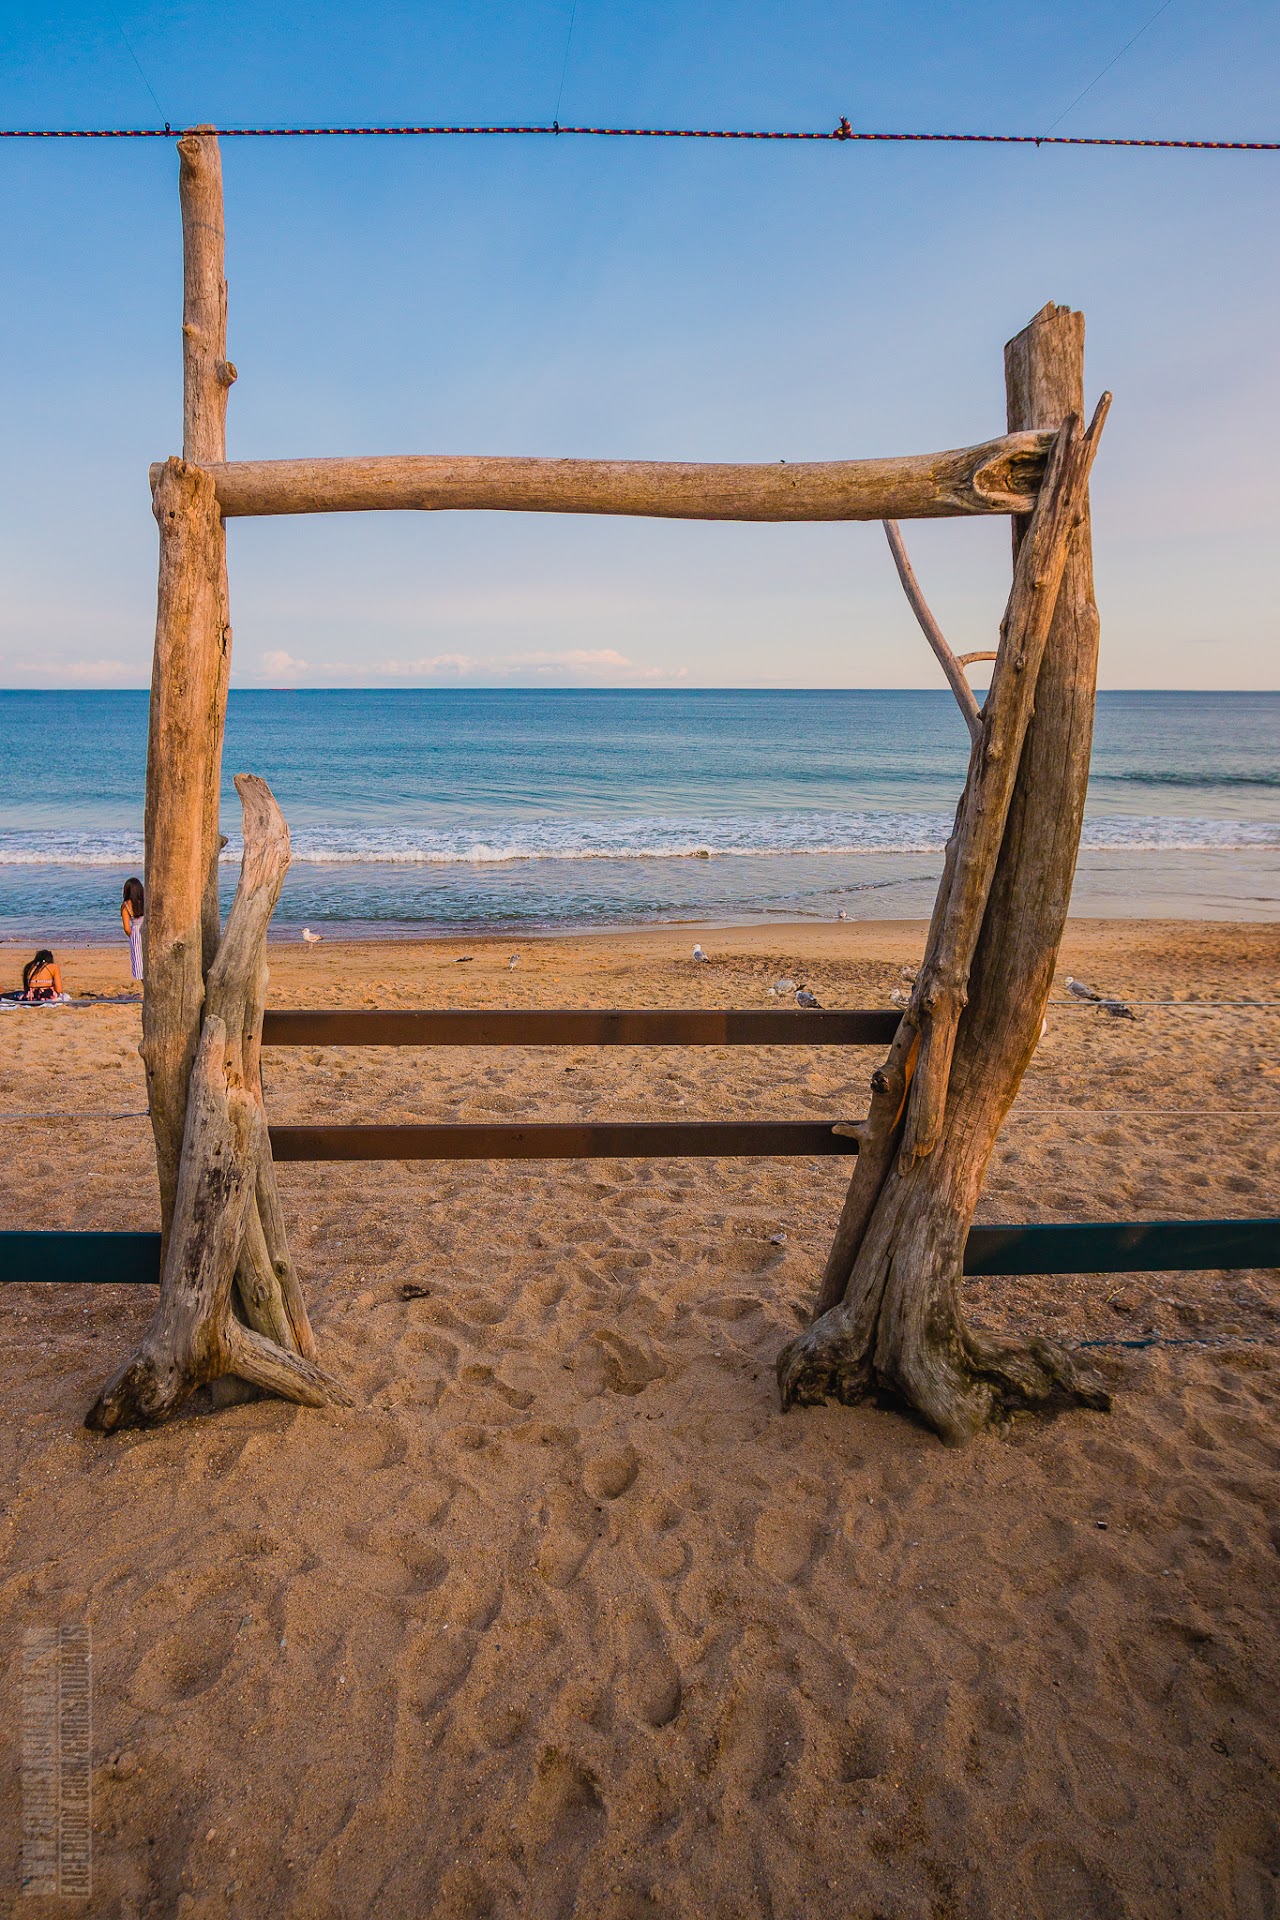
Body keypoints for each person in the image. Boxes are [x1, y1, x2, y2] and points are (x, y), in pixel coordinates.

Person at [121, 877, 145, 982]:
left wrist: (132, 936)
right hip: (146, 929)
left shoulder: (126, 906)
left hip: (136, 932)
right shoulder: (146, 901)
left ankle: (145, 986)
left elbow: (127, 928)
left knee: (139, 962)